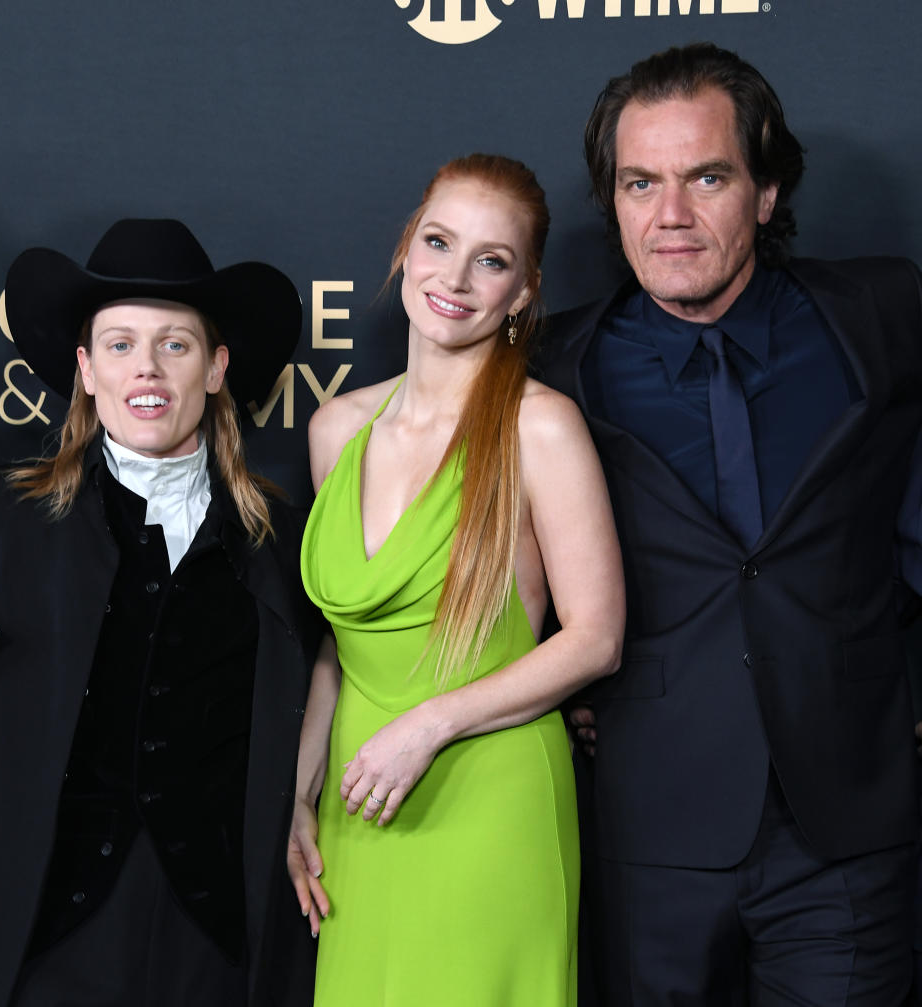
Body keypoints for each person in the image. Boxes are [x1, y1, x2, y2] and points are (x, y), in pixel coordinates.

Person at [540, 42, 922, 1005]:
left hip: (848, 830)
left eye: (706, 176)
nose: (669, 215)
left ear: (765, 190)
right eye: (640, 183)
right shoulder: (552, 371)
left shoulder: (883, 313)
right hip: (647, 833)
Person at [288, 153, 625, 1006]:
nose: (456, 278)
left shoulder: (539, 427)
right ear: (407, 244)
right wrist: (299, 790)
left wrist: (428, 725)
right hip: (358, 806)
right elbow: (341, 643)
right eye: (440, 241)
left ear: (523, 292)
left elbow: (596, 638)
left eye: (493, 260)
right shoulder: (337, 428)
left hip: (488, 797)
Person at [0, 219, 319, 1006]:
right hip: (46, 939)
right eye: (120, 344)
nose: (147, 369)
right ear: (86, 369)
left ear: (218, 366)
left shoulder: (286, 543)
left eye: (175, 344)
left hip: (218, 944)